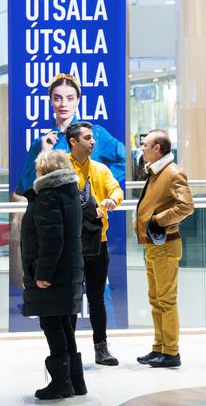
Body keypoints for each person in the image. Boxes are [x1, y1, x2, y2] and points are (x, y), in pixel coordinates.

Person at [20, 150, 84, 399]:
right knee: (64, 324)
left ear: (45, 170)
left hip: (53, 273)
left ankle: (61, 383)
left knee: (52, 324)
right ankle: (75, 382)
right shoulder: (70, 193)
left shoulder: (48, 196)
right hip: (68, 270)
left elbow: (51, 239)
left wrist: (42, 273)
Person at [66, 121, 123, 366]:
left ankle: (101, 348)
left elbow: (116, 190)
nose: (93, 142)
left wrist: (111, 201)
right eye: (87, 138)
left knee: (97, 298)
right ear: (73, 142)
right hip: (69, 245)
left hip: (98, 243)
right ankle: (68, 350)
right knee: (70, 299)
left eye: (92, 137)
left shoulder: (99, 169)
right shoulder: (61, 168)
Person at [135, 130, 194, 368]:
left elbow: (186, 205)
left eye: (145, 145)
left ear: (158, 148)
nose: (142, 148)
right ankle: (159, 347)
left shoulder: (172, 172)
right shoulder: (156, 171)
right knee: (155, 298)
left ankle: (171, 351)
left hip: (166, 244)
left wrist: (159, 219)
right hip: (154, 244)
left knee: (166, 299)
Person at [15, 73, 126, 194]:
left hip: (86, 210)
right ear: (50, 101)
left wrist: (99, 183)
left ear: (78, 100)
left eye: (70, 98)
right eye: (57, 98)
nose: (63, 104)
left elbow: (125, 160)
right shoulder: (40, 143)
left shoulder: (96, 133)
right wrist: (44, 154)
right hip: (52, 210)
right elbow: (24, 188)